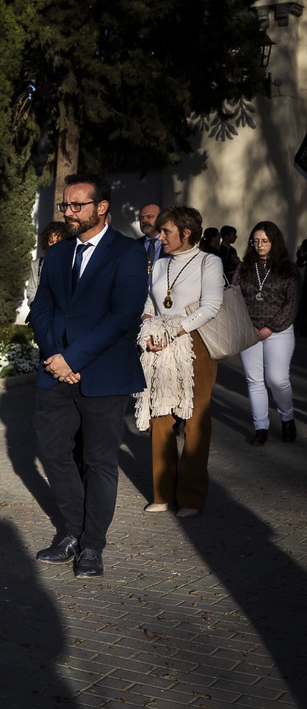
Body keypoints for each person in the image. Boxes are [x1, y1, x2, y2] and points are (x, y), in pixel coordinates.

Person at [31, 173, 147, 579]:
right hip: (55, 373)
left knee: (99, 461)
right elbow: (41, 308)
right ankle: (71, 533)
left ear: (102, 208)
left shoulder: (128, 253)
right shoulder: (59, 253)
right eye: (65, 205)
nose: (69, 212)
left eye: (78, 205)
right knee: (53, 452)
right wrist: (55, 356)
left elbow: (123, 316)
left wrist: (74, 358)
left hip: (103, 376)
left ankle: (92, 545)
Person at [134, 206, 223, 518]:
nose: (160, 237)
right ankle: (162, 493)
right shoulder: (160, 264)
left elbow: (211, 306)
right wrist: (148, 331)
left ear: (186, 233)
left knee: (196, 420)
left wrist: (174, 329)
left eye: (166, 232)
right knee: (160, 416)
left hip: (195, 345)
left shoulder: (209, 262)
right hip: (159, 345)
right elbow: (150, 302)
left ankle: (191, 497)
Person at [236, 221, 300, 445]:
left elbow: (291, 304)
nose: (259, 245)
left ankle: (287, 417)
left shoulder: (287, 269)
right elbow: (235, 298)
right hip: (249, 330)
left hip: (279, 331)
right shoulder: (244, 267)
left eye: (264, 241)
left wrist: (271, 327)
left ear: (274, 242)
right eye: (255, 241)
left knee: (277, 379)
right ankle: (260, 427)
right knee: (254, 380)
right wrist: (248, 325)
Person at [24, 220, 72, 308]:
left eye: (59, 242)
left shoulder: (73, 264)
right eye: (51, 242)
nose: (55, 246)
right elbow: (31, 293)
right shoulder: (37, 265)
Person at [137, 203, 162, 273]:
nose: (144, 221)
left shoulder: (171, 243)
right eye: (141, 218)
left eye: (149, 217)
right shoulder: (134, 245)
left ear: (161, 218)